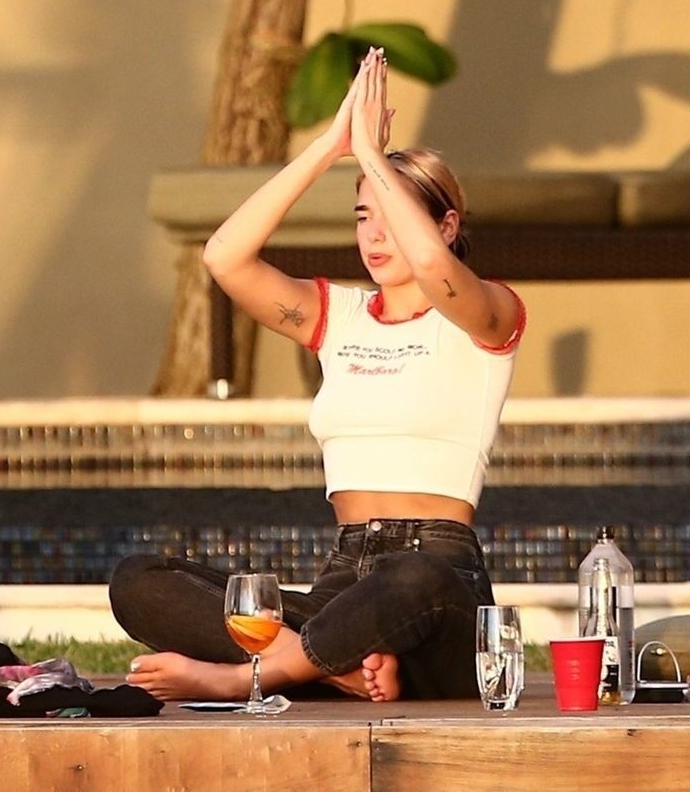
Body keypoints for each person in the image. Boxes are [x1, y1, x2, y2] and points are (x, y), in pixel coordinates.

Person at [113, 49, 525, 701]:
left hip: (437, 582)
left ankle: (250, 676)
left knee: (413, 578)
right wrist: (332, 146)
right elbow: (224, 256)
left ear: (447, 226)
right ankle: (337, 666)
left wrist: (372, 156)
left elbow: (429, 264)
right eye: (363, 218)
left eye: (393, 217)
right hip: (344, 584)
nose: (375, 236)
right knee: (140, 581)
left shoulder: (486, 313)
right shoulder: (341, 317)